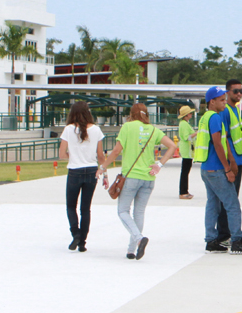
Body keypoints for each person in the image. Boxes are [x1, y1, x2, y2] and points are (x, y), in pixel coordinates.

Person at [101, 103, 177, 260]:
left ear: (132, 114)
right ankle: (131, 250)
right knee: (139, 212)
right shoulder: (153, 130)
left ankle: (138, 238)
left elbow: (116, 151)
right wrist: (159, 164)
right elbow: (172, 146)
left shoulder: (127, 127)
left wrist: (103, 167)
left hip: (131, 177)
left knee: (122, 211)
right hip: (148, 178)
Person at [194, 83, 242, 255]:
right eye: (221, 100)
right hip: (216, 168)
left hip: (207, 168)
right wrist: (228, 167)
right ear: (211, 102)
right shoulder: (214, 117)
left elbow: (223, 140)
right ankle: (236, 240)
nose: (224, 102)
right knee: (232, 205)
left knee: (213, 204)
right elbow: (217, 143)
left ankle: (211, 240)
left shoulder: (206, 117)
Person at [58, 101, 105, 252]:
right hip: (91, 170)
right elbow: (100, 155)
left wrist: (72, 155)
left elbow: (61, 155)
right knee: (85, 209)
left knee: (71, 206)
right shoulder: (96, 130)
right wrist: (104, 173)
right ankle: (82, 243)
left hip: (75, 170)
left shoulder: (68, 129)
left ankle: (75, 233)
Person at [177, 105, 196, 199]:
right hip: (186, 150)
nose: (191, 115)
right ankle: (183, 192)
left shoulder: (185, 123)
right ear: (186, 115)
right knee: (185, 172)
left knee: (185, 171)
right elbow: (186, 137)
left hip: (188, 151)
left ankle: (185, 191)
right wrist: (197, 133)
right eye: (190, 113)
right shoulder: (184, 124)